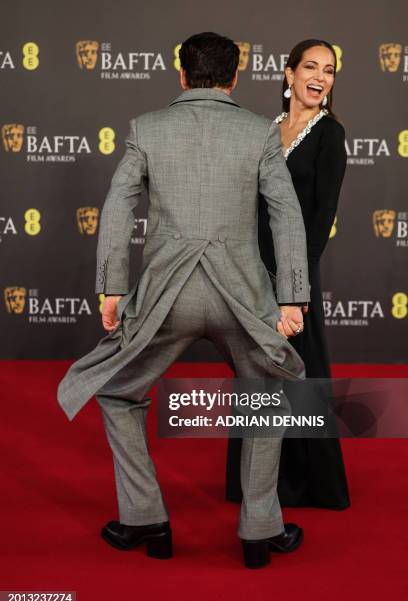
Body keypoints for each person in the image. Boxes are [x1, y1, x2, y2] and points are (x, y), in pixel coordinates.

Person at [57, 32, 311, 569]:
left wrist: (112, 288)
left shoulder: (146, 129)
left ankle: (147, 517)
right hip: (242, 297)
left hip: (167, 296)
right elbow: (287, 213)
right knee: (264, 402)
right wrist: (292, 298)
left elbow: (118, 208)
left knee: (118, 393)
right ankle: (259, 531)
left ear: (180, 75)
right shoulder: (257, 132)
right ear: (234, 78)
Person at [226, 39, 350, 510]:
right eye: (311, 67)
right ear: (288, 73)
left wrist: (296, 291)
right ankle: (255, 483)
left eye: (330, 70)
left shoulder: (329, 135)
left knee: (301, 377)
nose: (321, 77)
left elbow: (322, 219)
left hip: (293, 279)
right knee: (255, 374)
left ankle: (310, 485)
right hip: (252, 273)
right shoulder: (266, 130)